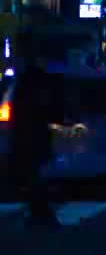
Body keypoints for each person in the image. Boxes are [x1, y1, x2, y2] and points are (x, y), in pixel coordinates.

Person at [9, 29, 60, 227]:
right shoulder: (36, 77)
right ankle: (40, 212)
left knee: (33, 174)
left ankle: (40, 212)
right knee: (34, 174)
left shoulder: (29, 78)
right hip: (34, 131)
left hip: (30, 132)